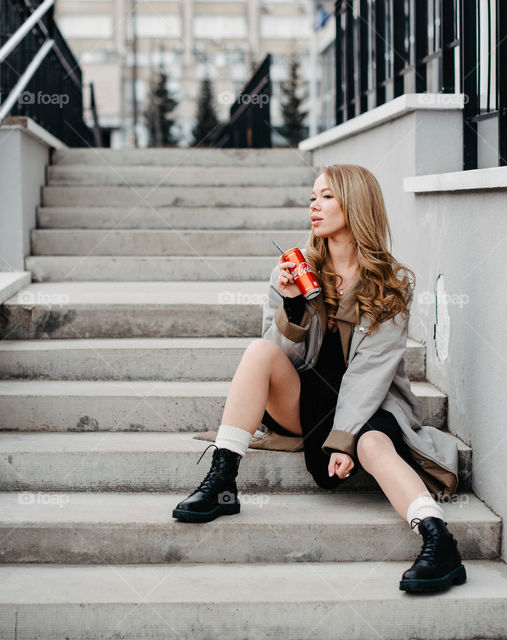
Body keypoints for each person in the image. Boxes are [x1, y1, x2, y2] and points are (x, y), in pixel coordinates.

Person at [171, 163, 466, 593]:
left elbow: (370, 373)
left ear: (355, 203)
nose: (315, 205)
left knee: (373, 442)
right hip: (306, 399)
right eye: (313, 197)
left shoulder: (390, 283)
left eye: (327, 196)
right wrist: (292, 309)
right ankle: (222, 478)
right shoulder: (291, 270)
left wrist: (345, 437)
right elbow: (281, 357)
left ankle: (438, 540)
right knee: (259, 351)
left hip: (371, 404)